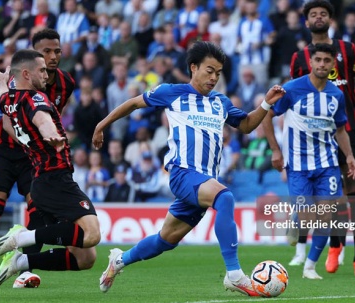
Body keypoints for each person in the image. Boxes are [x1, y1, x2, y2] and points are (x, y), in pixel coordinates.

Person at [91, 41, 285, 295]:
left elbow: (247, 125)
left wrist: (266, 105)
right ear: (193, 68)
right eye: (209, 70)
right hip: (183, 173)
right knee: (225, 197)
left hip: (203, 180)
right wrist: (101, 126)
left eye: (218, 72)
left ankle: (118, 261)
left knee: (165, 240)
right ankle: (235, 274)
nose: (214, 77)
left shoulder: (221, 102)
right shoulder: (172, 92)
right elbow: (133, 103)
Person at [0, 49, 101, 292]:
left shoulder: (10, 100)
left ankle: (22, 262)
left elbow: (2, 97)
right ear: (27, 74)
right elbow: (42, 119)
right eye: (41, 70)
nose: (46, 74)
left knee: (86, 258)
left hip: (42, 181)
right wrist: (51, 134)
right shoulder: (35, 99)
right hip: (55, 180)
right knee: (91, 234)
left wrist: (0, 83)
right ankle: (20, 237)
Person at [287, 0, 355, 276]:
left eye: (323, 13)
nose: (318, 17)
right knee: (332, 198)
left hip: (349, 129)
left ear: (331, 19)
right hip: (316, 138)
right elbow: (293, 100)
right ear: (306, 22)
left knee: (354, 193)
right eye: (313, 14)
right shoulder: (299, 58)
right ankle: (336, 246)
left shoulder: (349, 50)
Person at [263, 43, 355, 279]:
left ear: (332, 64)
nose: (322, 64)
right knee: (307, 217)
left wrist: (349, 156)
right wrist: (276, 150)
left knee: (327, 215)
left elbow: (340, 130)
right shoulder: (292, 89)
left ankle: (310, 267)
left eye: (327, 61)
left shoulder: (336, 95)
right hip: (297, 166)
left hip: (327, 164)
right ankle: (297, 217)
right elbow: (267, 117)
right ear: (311, 62)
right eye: (318, 60)